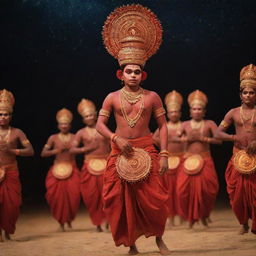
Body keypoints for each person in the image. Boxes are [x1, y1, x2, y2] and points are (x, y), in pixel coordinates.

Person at [96, 4, 170, 255]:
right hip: (119, 152)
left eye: (137, 71)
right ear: (121, 73)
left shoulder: (152, 97)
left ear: (143, 74)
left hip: (147, 149)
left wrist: (165, 154)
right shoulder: (112, 97)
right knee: (120, 202)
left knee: (156, 200)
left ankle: (159, 239)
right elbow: (99, 125)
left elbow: (163, 126)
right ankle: (132, 244)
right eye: (129, 71)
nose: (133, 75)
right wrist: (115, 138)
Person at [215, 63, 256, 235]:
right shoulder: (233, 112)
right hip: (237, 157)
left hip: (255, 158)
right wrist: (234, 137)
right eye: (245, 92)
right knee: (237, 195)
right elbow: (218, 133)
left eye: (252, 92)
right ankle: (243, 223)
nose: (248, 95)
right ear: (240, 95)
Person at [175, 90, 220, 228]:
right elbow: (175, 138)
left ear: (204, 111)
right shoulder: (184, 125)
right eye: (194, 109)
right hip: (188, 161)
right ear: (190, 111)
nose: (196, 111)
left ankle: (204, 216)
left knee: (209, 191)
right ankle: (190, 218)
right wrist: (186, 138)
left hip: (205, 160)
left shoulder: (209, 123)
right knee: (182, 191)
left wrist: (204, 138)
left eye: (199, 109)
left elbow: (219, 139)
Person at [70, 99, 110, 232]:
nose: (89, 118)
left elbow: (112, 143)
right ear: (83, 119)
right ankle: (98, 223)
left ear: (96, 114)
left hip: (106, 164)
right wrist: (86, 149)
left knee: (108, 194)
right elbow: (72, 149)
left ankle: (109, 220)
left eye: (91, 115)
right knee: (92, 197)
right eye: (86, 116)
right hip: (89, 166)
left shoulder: (103, 128)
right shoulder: (81, 133)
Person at [0, 89, 34, 242]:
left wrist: (12, 150)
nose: (3, 117)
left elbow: (30, 150)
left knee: (12, 205)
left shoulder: (17, 132)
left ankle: (7, 231)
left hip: (12, 172)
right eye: (0, 114)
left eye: (5, 114)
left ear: (10, 116)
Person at [41, 108, 80, 232]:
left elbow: (81, 149)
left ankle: (69, 220)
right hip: (57, 170)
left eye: (66, 123)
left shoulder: (75, 137)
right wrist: (56, 151)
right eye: (62, 123)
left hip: (72, 169)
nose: (64, 126)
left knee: (73, 197)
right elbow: (43, 153)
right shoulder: (53, 138)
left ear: (70, 125)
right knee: (57, 198)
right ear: (58, 125)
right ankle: (61, 222)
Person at [153, 90, 185, 227]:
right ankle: (170, 216)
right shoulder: (164, 127)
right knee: (168, 190)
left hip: (183, 160)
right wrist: (168, 141)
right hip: (168, 160)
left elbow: (191, 139)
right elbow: (153, 138)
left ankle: (183, 216)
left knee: (181, 190)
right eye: (171, 112)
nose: (174, 114)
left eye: (176, 112)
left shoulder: (184, 126)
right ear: (168, 113)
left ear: (180, 113)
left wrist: (183, 140)